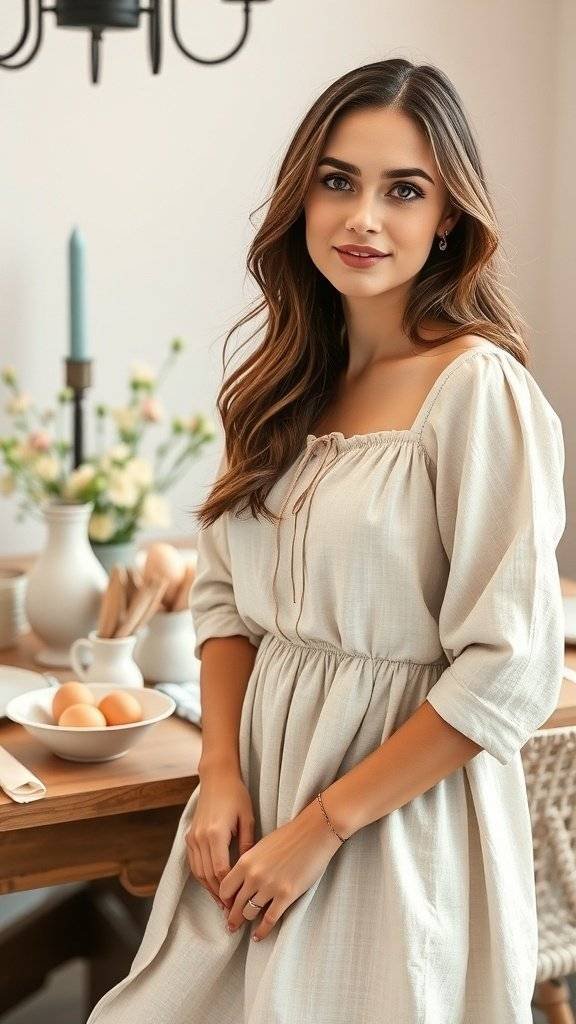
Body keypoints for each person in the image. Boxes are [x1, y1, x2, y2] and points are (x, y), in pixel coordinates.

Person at [86, 57, 566, 1024]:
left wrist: (322, 828)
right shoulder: (279, 388)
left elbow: (508, 670)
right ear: (301, 196)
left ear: (449, 218)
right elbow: (224, 605)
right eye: (338, 180)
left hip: (394, 828)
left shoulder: (479, 391)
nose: (363, 218)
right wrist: (219, 775)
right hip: (251, 805)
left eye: (405, 190)